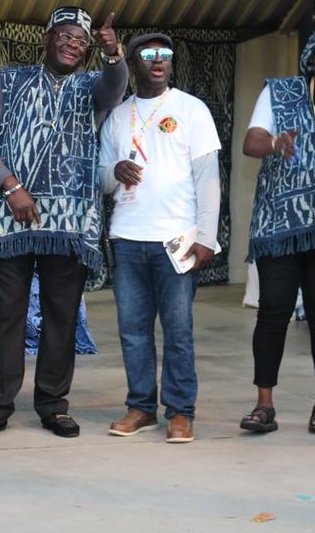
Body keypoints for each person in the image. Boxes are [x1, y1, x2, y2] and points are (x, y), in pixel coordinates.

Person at [0, 6, 127, 439]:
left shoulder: (92, 85)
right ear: (47, 38)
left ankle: (53, 406)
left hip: (68, 224)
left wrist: (114, 55)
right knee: (6, 319)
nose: (73, 45)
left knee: (61, 318)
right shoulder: (10, 79)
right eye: (65, 36)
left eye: (81, 41)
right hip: (10, 219)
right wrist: (10, 185)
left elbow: (115, 88)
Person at [99, 33, 221, 444]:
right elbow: (101, 179)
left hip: (176, 239)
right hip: (127, 238)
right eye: (148, 55)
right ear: (132, 64)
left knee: (178, 331)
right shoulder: (118, 116)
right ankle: (141, 407)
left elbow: (208, 179)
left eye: (164, 55)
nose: (158, 60)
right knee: (133, 331)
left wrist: (207, 237)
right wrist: (113, 171)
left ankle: (181, 412)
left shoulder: (191, 109)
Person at [239, 23, 315, 436]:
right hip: (279, 224)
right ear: (313, 58)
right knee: (273, 312)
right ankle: (263, 405)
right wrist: (275, 143)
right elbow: (251, 142)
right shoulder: (281, 91)